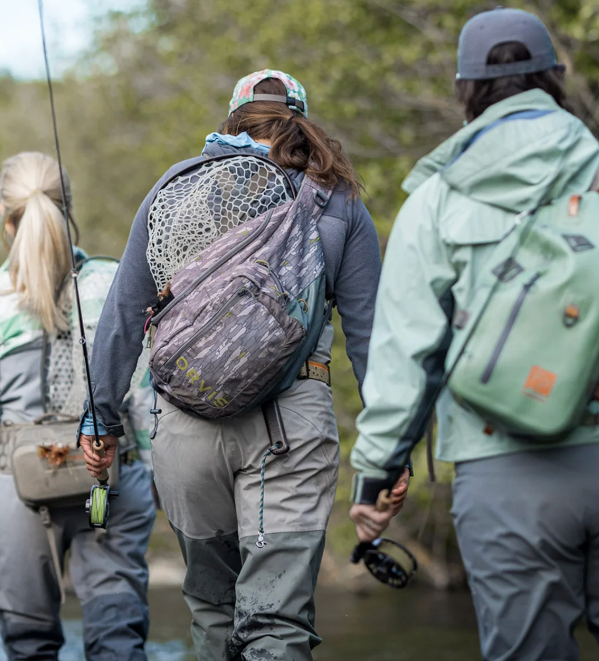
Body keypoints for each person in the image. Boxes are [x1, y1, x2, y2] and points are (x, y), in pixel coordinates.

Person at [349, 9, 599, 661]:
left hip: (505, 473)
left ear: (465, 90)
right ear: (556, 77)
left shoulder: (433, 202)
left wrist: (378, 476)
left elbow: (405, 363)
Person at [79, 70, 396, 661]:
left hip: (185, 429)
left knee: (213, 615)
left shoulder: (175, 193)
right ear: (301, 120)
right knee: (275, 624)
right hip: (291, 427)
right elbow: (371, 338)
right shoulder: (337, 201)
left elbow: (122, 315)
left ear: (229, 123)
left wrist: (99, 420)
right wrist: (391, 451)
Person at [0, 151, 156, 661]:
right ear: (69, 207)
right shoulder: (116, 281)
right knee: (118, 640)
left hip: (21, 492)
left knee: (29, 643)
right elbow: (145, 397)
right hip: (112, 480)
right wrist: (159, 475)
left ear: (5, 217)